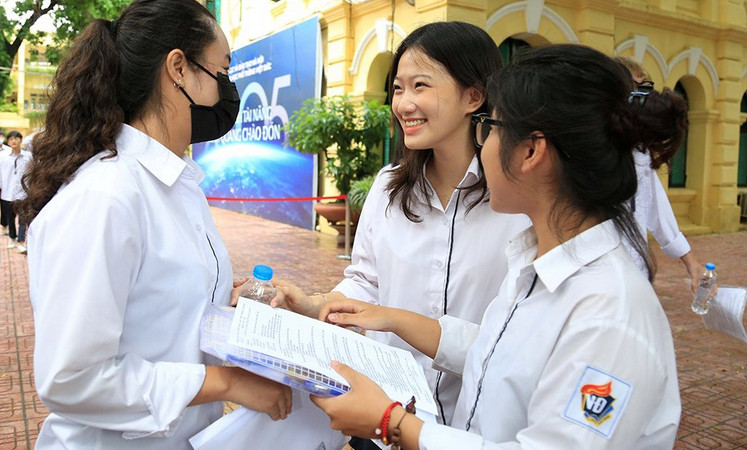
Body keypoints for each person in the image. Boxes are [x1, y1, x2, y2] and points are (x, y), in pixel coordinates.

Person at [309, 44, 684, 449]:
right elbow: (494, 351)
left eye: (490, 128)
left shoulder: (610, 313)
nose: (481, 145)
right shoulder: (535, 263)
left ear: (530, 151)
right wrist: (388, 317)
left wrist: (391, 422)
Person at [16, 0, 291, 448]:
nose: (227, 90)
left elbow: (157, 303)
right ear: (178, 68)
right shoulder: (106, 197)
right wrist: (225, 383)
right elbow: (72, 378)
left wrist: (226, 296)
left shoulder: (179, 185)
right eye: (221, 73)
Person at [270, 21, 530, 429]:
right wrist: (319, 304)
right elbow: (367, 280)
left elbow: (521, 337)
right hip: (384, 417)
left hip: (475, 429)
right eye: (397, 88)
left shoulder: (517, 202)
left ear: (473, 96)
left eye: (420, 86)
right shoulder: (389, 187)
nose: (404, 103)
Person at [615, 56, 701, 292]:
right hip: (601, 276)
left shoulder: (640, 151)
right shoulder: (595, 147)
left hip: (636, 270)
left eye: (645, 89)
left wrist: (690, 261)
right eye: (635, 89)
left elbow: (655, 205)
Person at [0, 130, 31, 253]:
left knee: (23, 219)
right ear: (8, 142)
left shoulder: (28, 157)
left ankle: (21, 241)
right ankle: (13, 238)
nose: (14, 141)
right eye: (11, 139)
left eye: (16, 138)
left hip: (23, 193)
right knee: (10, 219)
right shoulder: (3, 158)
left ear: (20, 140)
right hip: (7, 192)